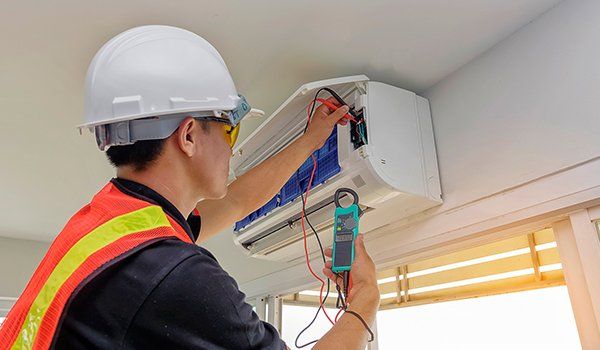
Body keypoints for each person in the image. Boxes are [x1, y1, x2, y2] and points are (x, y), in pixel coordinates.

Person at [0, 25, 380, 350]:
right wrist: (365, 299)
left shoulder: (115, 221)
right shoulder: (174, 273)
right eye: (230, 130)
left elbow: (236, 200)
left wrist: (311, 141)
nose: (232, 148)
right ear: (189, 135)